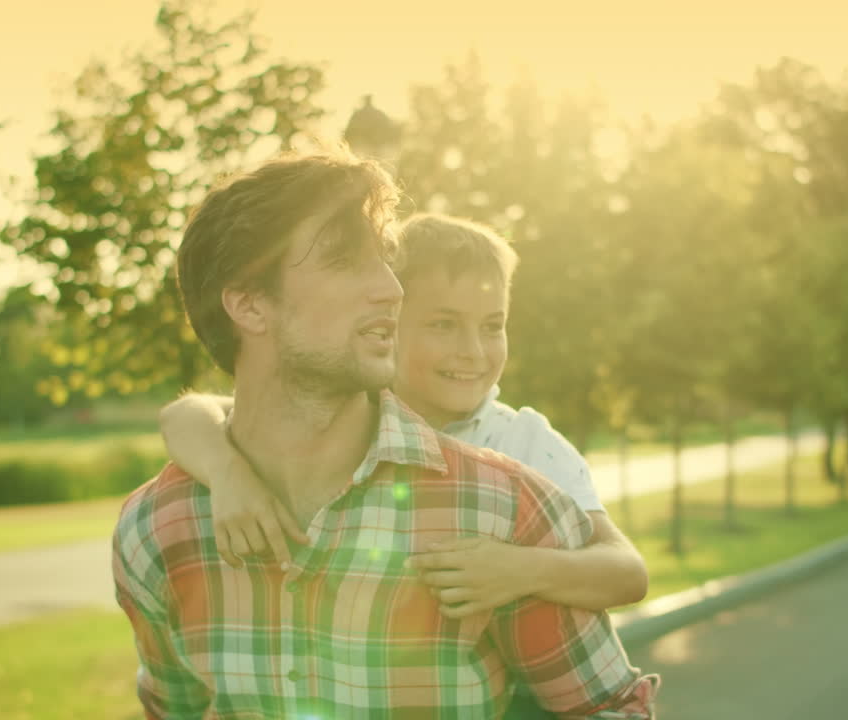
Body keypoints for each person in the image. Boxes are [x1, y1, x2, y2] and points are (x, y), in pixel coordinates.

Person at [111, 147, 658, 719]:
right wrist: (224, 470)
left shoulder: (503, 511)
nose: (392, 290)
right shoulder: (155, 531)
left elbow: (611, 705)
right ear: (248, 304)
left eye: (387, 263)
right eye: (346, 261)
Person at [161, 214, 649, 620]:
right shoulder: (348, 418)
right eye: (443, 325)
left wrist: (519, 569)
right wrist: (228, 473)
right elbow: (187, 414)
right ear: (387, 322)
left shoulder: (523, 439)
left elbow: (626, 571)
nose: (473, 351)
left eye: (492, 326)